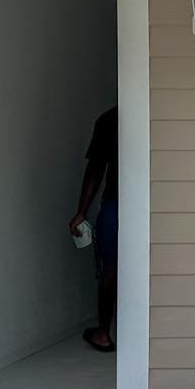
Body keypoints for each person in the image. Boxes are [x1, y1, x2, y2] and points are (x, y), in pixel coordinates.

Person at [69, 106, 118, 352]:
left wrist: (81, 212)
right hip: (154, 201)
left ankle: (103, 333)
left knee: (111, 266)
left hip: (117, 202)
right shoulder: (156, 110)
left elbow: (96, 168)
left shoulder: (110, 119)